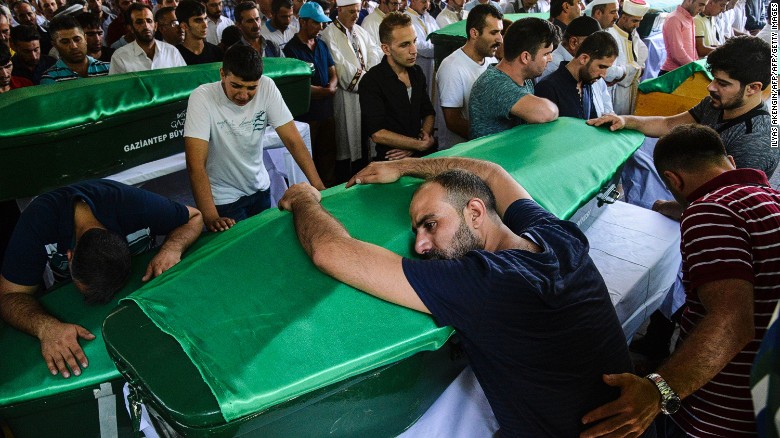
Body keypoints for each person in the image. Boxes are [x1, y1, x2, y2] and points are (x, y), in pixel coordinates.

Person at [278, 156, 635, 436]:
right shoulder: (557, 236)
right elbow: (492, 174)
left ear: (475, 212)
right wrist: (401, 167)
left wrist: (303, 199)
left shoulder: (486, 283)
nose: (419, 245)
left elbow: (330, 251)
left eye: (431, 225)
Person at [580, 124, 780, 438]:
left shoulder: (711, 211)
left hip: (722, 414)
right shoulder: (765, 198)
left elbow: (732, 321)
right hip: (764, 398)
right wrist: (683, 208)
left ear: (673, 180)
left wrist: (659, 391)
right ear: (728, 160)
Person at [0, 179, 203, 379]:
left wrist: (171, 248)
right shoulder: (38, 220)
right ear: (68, 257)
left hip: (140, 291)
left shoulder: (134, 205)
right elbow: (9, 295)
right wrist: (45, 327)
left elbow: (194, 217)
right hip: (72, 307)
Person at [589, 36, 776, 185]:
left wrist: (673, 208)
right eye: (713, 79)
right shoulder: (715, 104)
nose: (710, 87)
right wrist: (624, 120)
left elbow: (730, 205)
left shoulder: (757, 140)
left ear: (753, 88)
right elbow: (668, 124)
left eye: (723, 83)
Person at [184, 45, 325, 232]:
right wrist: (211, 217)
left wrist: (319, 187)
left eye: (251, 88)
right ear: (222, 74)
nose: (243, 95)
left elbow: (293, 140)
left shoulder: (267, 86)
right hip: (224, 199)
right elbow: (196, 165)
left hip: (260, 189)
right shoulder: (201, 97)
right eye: (236, 86)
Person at [359, 12, 435, 161]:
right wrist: (417, 145)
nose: (414, 50)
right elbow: (377, 133)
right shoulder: (371, 81)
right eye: (405, 45)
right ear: (386, 49)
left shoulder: (417, 72)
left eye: (414, 41)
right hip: (391, 160)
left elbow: (428, 112)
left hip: (422, 155)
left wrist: (420, 143)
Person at [468, 17, 559, 139]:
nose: (550, 58)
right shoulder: (494, 84)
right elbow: (545, 112)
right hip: (491, 157)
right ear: (525, 57)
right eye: (546, 54)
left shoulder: (525, 79)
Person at [320, 0, 380, 179]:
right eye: (351, 12)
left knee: (366, 139)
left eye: (357, 11)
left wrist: (369, 75)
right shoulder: (328, 35)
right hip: (346, 98)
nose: (355, 15)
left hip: (367, 95)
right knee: (348, 141)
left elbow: (376, 53)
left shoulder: (361, 31)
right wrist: (369, 81)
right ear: (339, 10)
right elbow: (341, 69)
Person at [283, 2, 339, 186]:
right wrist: (325, 91)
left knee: (329, 154)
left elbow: (333, 72)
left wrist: (331, 87)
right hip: (308, 116)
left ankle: (330, 191)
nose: (320, 27)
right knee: (309, 157)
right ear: (303, 22)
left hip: (327, 112)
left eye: (322, 23)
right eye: (316, 23)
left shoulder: (321, 44)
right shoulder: (291, 49)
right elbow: (298, 87)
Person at [436, 4, 500, 149]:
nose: (500, 39)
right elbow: (453, 121)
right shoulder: (452, 67)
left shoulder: (491, 60)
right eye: (494, 33)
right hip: (460, 153)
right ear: (474, 33)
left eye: (500, 32)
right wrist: (490, 135)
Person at [540, 15, 613, 117]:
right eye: (594, 44)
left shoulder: (586, 78)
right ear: (573, 42)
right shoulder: (552, 68)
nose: (603, 74)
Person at [109, 3, 186, 73]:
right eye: (139, 22)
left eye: (149, 21)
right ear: (131, 28)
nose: (146, 26)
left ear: (155, 26)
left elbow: (184, 81)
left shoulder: (171, 52)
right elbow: (116, 88)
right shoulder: (120, 57)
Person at [604, 0, 649, 115]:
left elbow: (642, 54)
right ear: (623, 18)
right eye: (634, 21)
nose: (637, 25)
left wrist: (636, 69)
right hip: (615, 90)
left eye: (639, 21)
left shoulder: (633, 32)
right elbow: (609, 71)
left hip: (631, 88)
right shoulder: (610, 34)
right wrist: (635, 70)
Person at [40, 15, 110, 83]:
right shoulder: (50, 78)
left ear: (85, 39)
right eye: (65, 42)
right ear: (55, 45)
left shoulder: (108, 68)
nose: (74, 46)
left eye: (77, 39)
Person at [659, 0, 706, 75]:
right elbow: (677, 53)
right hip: (673, 73)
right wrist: (695, 67)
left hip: (686, 70)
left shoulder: (689, 18)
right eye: (701, 5)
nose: (703, 9)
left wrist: (696, 63)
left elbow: (692, 49)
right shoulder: (674, 18)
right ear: (689, 1)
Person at [404, 0, 438, 99]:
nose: (427, 5)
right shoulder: (406, 19)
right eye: (423, 1)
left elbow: (439, 38)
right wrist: (437, 49)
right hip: (418, 65)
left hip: (432, 67)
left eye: (428, 1)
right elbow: (416, 45)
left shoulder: (430, 18)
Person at [175, 0, 223, 64]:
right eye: (198, 21)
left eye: (205, 18)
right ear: (184, 26)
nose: (205, 25)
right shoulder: (175, 55)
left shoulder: (216, 52)